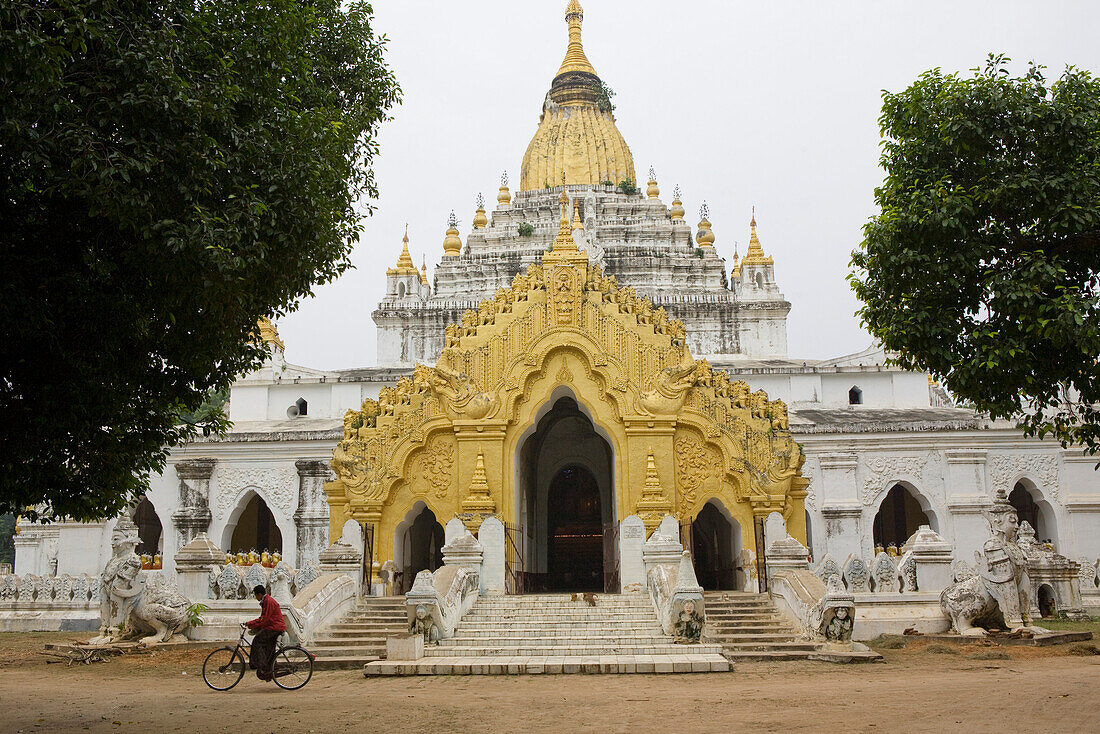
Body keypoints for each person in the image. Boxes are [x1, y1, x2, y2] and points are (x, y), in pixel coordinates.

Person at [245, 584, 286, 680]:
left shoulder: (268, 602)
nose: (256, 598)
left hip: (274, 627)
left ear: (259, 594)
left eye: (256, 595)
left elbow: (265, 620)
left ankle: (261, 664)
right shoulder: (266, 601)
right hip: (273, 626)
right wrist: (250, 623)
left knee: (257, 640)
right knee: (268, 647)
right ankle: (269, 667)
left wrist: (252, 625)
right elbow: (263, 618)